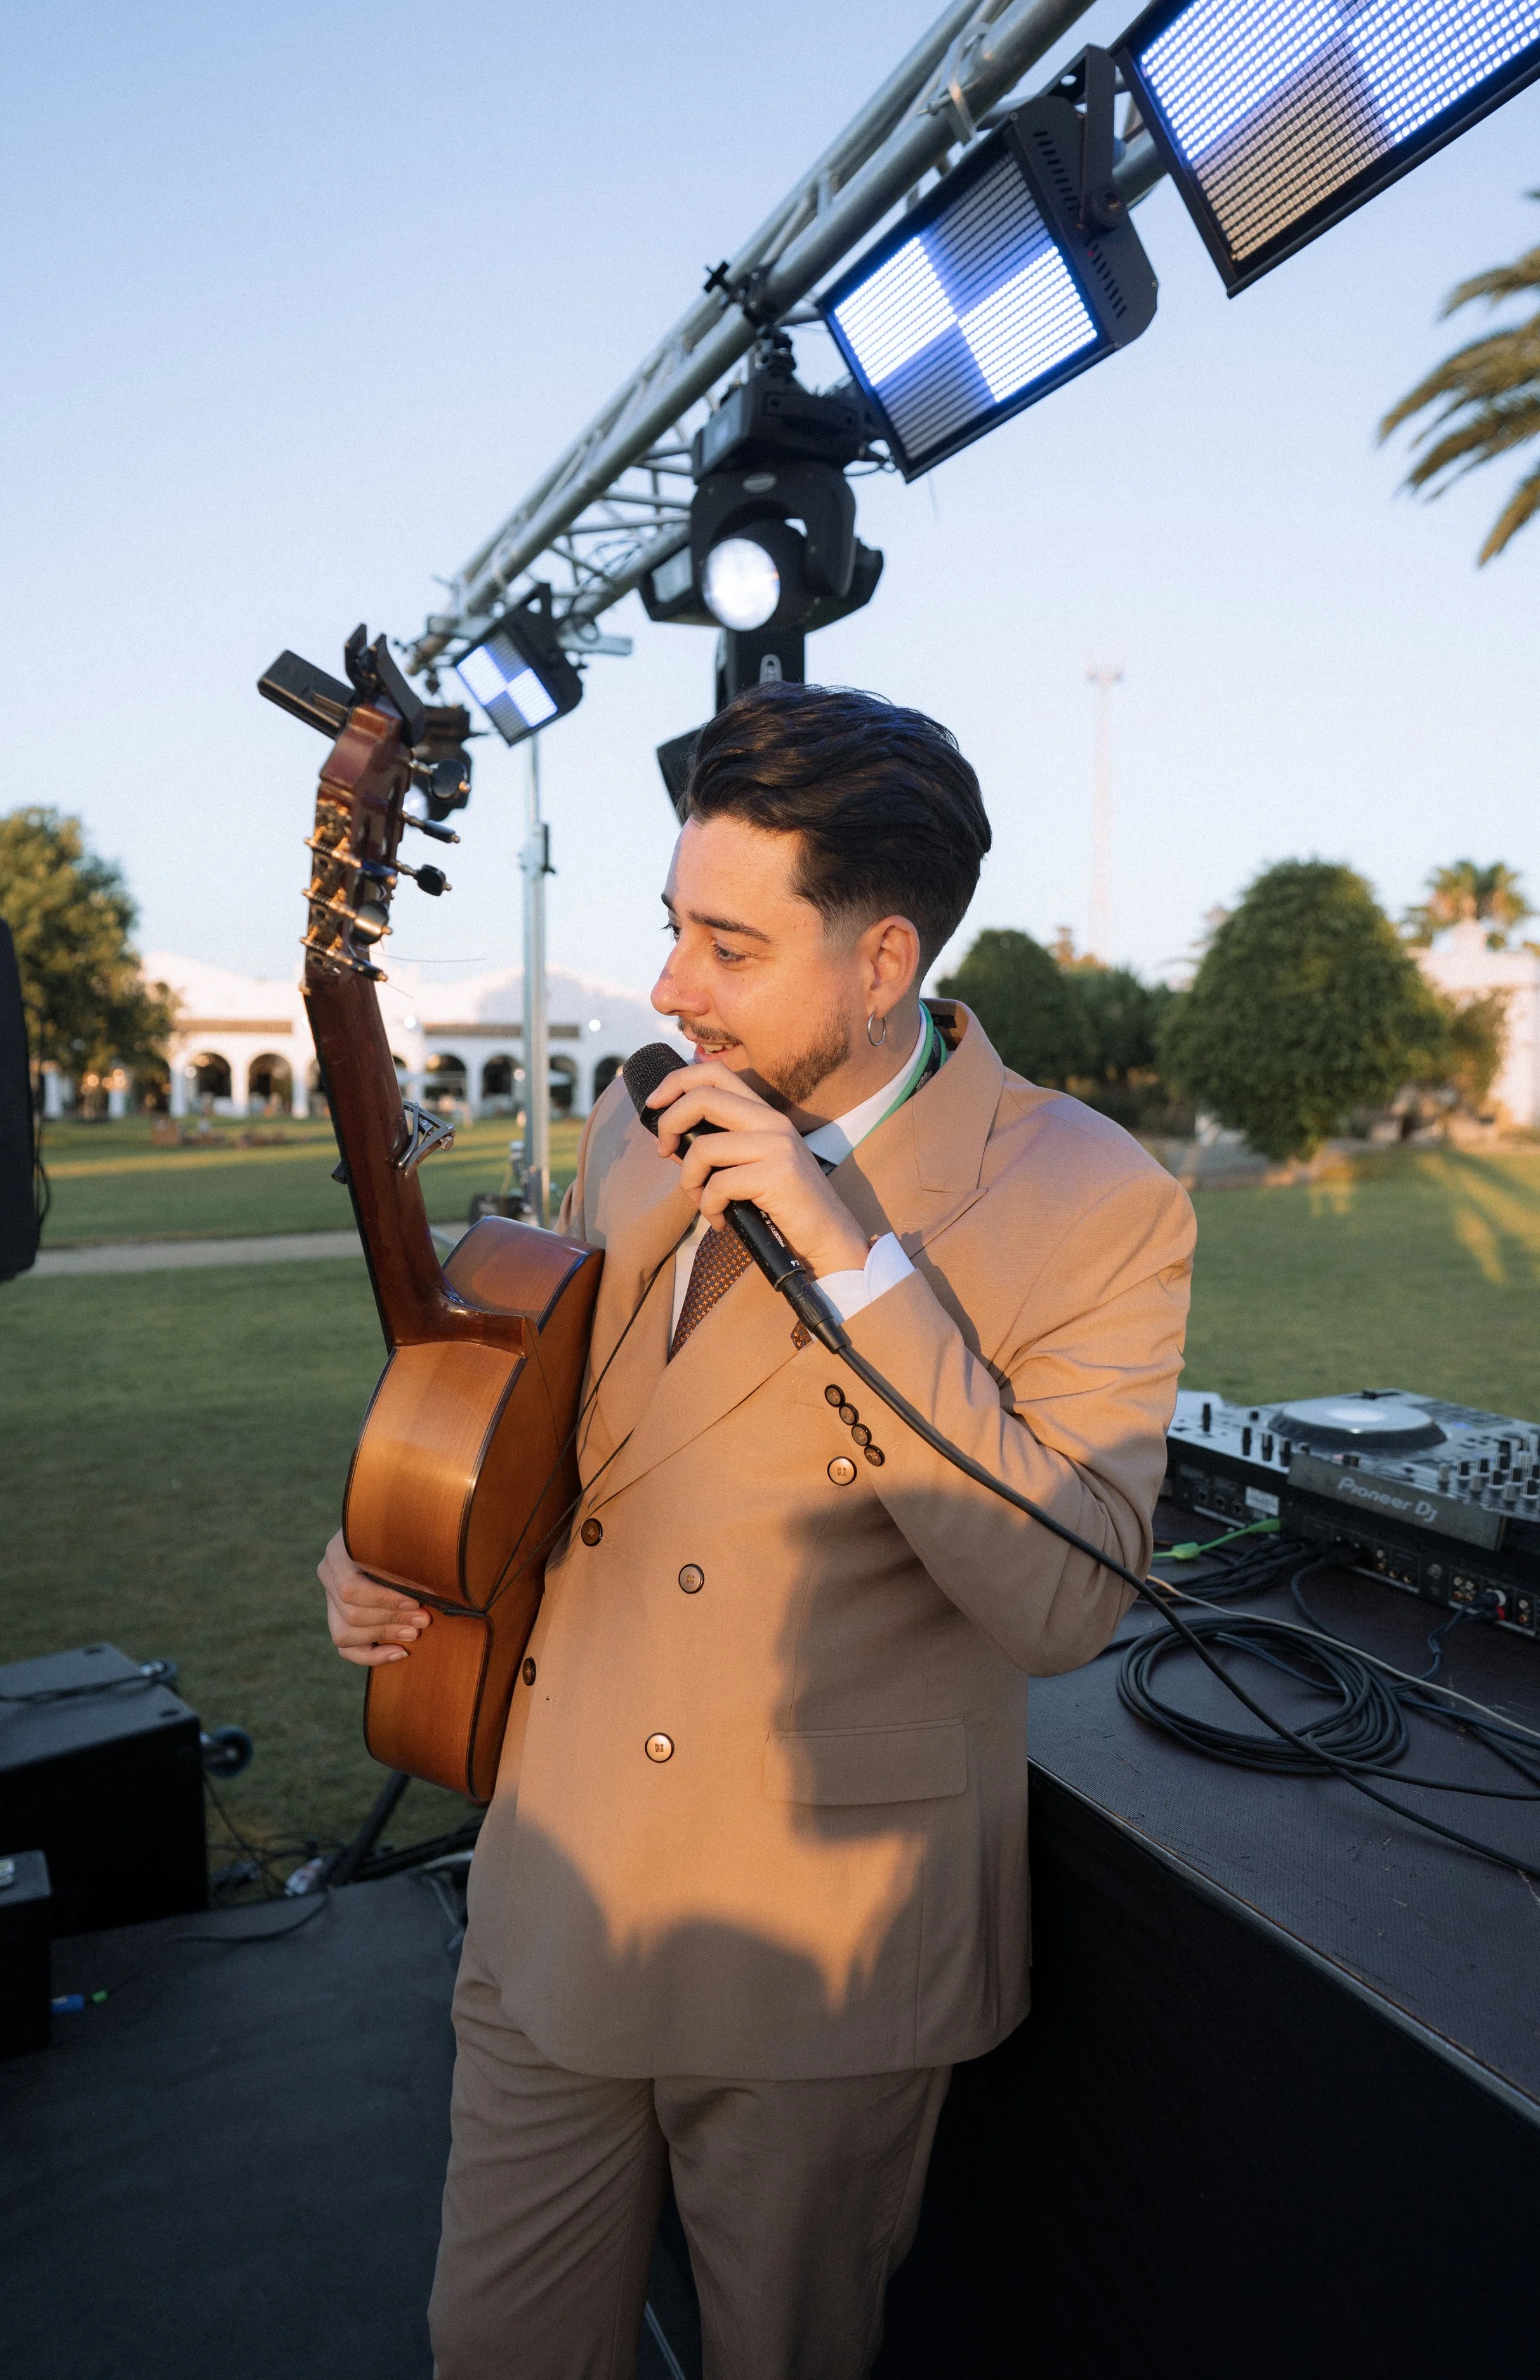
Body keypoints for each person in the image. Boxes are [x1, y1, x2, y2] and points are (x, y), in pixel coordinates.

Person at [319, 680, 1195, 2380]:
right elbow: (556, 1450)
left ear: (879, 963)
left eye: (725, 943)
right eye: (670, 928)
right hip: (554, 1891)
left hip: (821, 1960)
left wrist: (852, 1259)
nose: (666, 988)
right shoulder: (635, 1134)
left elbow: (1069, 1595)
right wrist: (395, 1538)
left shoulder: (1097, 1197)